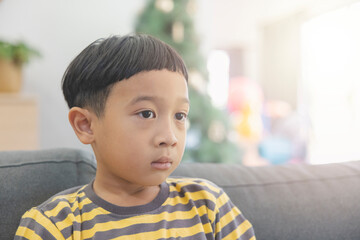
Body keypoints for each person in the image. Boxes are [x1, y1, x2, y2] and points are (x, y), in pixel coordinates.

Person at [14, 34, 256, 240]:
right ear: (86, 125)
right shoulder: (54, 226)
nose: (169, 137)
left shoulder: (209, 206)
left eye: (180, 116)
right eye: (147, 113)